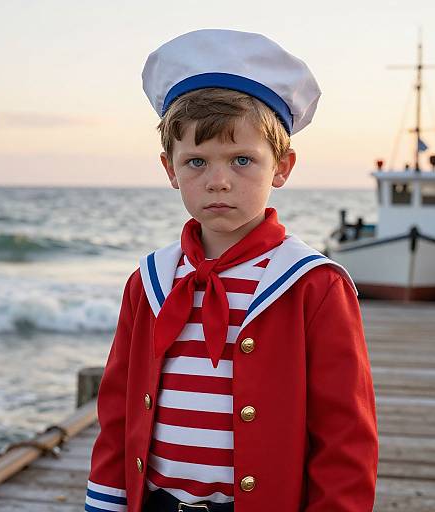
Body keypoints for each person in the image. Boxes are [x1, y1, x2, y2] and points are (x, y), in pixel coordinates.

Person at [84, 29, 378, 512]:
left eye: (243, 160)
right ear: (169, 168)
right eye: (196, 161)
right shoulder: (150, 282)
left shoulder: (312, 284)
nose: (218, 181)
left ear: (281, 167)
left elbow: (345, 434)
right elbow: (117, 412)